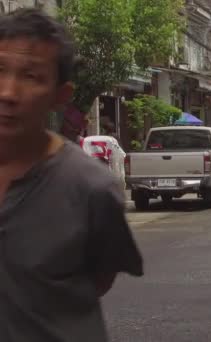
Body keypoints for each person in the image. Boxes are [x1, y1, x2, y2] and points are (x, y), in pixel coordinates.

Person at [0, 9, 143, 342]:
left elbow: (100, 277)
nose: (8, 92)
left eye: (31, 76)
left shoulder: (90, 188)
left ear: (59, 96)